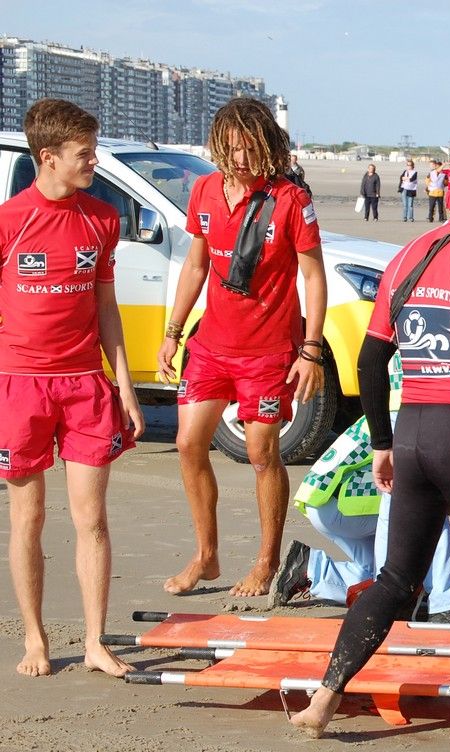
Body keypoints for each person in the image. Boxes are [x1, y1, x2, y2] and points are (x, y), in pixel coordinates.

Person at [289, 143, 450, 752]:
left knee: (396, 577)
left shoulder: (409, 254)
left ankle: (323, 699)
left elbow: (371, 357)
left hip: (412, 431)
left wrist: (381, 441)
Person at [156, 97, 327, 597]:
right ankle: (206, 556)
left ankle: (266, 560)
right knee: (189, 444)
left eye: (249, 149)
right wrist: (173, 330)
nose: (240, 159)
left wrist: (311, 350)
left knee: (260, 454)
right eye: (231, 149)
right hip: (211, 347)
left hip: (270, 351)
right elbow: (195, 265)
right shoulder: (206, 190)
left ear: (266, 146)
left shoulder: (291, 200)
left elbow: (314, 278)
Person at [0, 98, 146, 678]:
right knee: (27, 520)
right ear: (49, 157)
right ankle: (36, 638)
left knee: (93, 519)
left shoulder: (101, 219)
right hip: (21, 385)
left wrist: (126, 385)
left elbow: (106, 307)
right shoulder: (11, 220)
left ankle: (93, 640)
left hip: (85, 384)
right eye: (85, 154)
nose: (94, 161)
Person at [274, 411, 450, 622]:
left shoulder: (400, 404)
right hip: (349, 503)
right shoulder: (430, 418)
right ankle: (449, 601)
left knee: (382, 576)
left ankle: (311, 569)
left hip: (325, 502)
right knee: (425, 509)